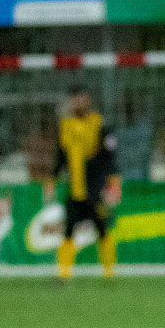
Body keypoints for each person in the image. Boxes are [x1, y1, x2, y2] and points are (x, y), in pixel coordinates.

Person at [44, 88, 120, 280]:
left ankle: (109, 273)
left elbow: (110, 157)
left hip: (95, 188)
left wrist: (113, 183)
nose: (77, 103)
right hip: (75, 188)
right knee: (68, 228)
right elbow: (61, 157)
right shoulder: (66, 126)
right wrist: (52, 180)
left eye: (81, 99)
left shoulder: (99, 124)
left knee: (102, 228)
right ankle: (63, 274)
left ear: (88, 101)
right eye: (74, 100)